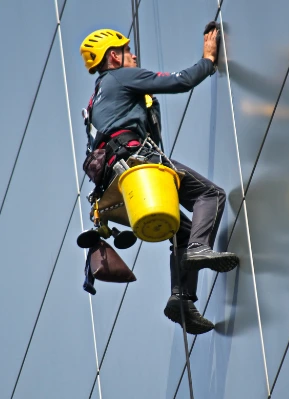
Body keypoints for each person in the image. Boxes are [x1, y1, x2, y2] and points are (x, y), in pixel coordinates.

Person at [79, 26, 239, 334]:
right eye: (127, 51)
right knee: (211, 195)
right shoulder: (119, 77)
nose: (134, 55)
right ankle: (198, 248)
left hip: (116, 183)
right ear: (114, 56)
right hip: (138, 164)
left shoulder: (96, 99)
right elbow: (180, 81)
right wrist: (208, 59)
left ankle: (181, 299)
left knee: (183, 228)